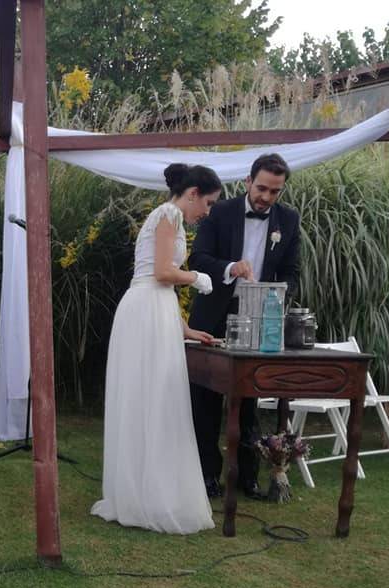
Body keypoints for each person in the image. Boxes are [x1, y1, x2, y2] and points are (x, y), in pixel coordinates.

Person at [91, 164, 221, 535]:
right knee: (149, 398)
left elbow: (158, 279)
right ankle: (144, 495)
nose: (207, 212)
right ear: (192, 192)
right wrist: (197, 277)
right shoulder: (169, 214)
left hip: (154, 309)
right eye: (208, 203)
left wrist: (186, 329)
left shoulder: (170, 218)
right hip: (146, 310)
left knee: (155, 399)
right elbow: (163, 273)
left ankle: (148, 489)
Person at [187, 153, 301, 500]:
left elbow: (292, 271)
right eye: (262, 188)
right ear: (248, 181)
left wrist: (275, 298)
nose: (266, 197)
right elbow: (199, 259)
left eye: (275, 192)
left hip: (257, 317)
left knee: (250, 399)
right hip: (213, 315)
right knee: (204, 401)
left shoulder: (289, 220)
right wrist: (231, 267)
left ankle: (246, 477)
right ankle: (206, 476)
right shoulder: (219, 212)